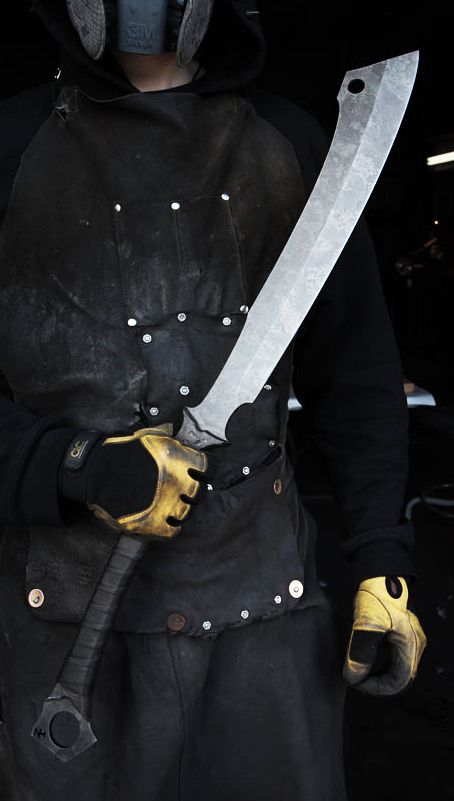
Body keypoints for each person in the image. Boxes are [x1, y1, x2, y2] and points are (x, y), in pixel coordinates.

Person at [0, 1, 426, 800]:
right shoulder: (11, 147)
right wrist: (77, 464)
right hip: (69, 630)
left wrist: (381, 555)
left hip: (264, 617)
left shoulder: (292, 144)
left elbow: (359, 378)